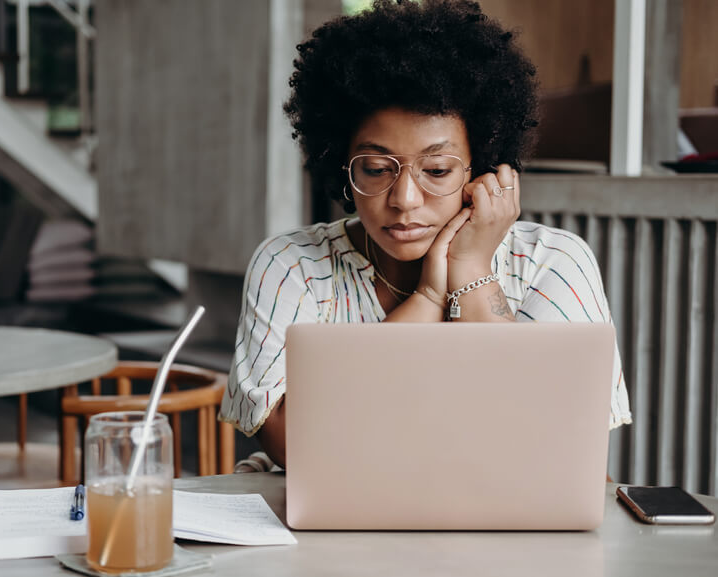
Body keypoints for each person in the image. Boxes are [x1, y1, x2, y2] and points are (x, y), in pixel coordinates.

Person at [219, 0, 631, 468]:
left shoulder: (553, 261)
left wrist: (472, 270)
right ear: (339, 163)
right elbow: (297, 444)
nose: (405, 199)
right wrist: (430, 296)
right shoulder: (291, 264)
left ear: (486, 166)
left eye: (436, 169)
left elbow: (553, 452)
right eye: (375, 169)